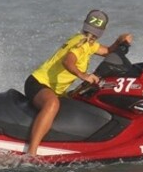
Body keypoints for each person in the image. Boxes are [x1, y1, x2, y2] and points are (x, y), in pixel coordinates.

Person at [24, 9, 132, 156]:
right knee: (52, 104)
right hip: (38, 83)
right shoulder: (81, 43)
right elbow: (68, 61)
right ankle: (31, 153)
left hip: (53, 89)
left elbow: (107, 51)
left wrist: (120, 41)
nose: (91, 35)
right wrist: (84, 75)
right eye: (91, 32)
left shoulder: (89, 44)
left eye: (93, 32)